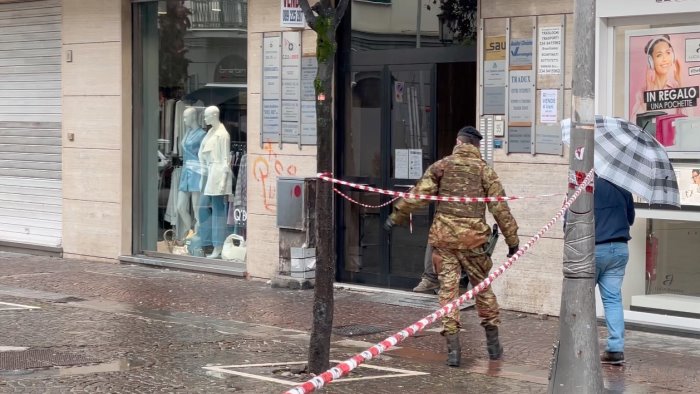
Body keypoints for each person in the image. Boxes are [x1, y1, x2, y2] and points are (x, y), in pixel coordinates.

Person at [384, 126, 520, 366]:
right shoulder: (485, 171)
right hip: (474, 242)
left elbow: (418, 194)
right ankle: (493, 346)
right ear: (477, 146)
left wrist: (396, 217)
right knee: (483, 289)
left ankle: (454, 351)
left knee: (448, 292)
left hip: (445, 241)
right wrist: (512, 241)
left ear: (458, 142)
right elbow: (500, 209)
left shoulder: (441, 166)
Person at [594, 175, 635, 365]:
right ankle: (615, 349)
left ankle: (579, 345)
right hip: (619, 248)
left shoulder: (586, 187)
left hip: (594, 249)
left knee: (580, 298)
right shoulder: (623, 185)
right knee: (612, 299)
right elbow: (630, 218)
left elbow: (570, 222)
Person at [197, 106, 234, 259]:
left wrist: (223, 182)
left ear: (214, 115)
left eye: (206, 116)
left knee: (218, 211)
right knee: (203, 207)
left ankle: (217, 245)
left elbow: (226, 159)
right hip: (209, 172)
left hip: (218, 174)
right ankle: (206, 241)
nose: (204, 119)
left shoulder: (222, 134)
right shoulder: (211, 132)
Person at [631, 34, 684, 121]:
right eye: (659, 55)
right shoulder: (641, 94)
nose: (665, 59)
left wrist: (681, 83)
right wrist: (649, 92)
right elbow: (635, 123)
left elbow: (689, 119)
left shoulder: (677, 89)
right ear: (651, 61)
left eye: (668, 53)